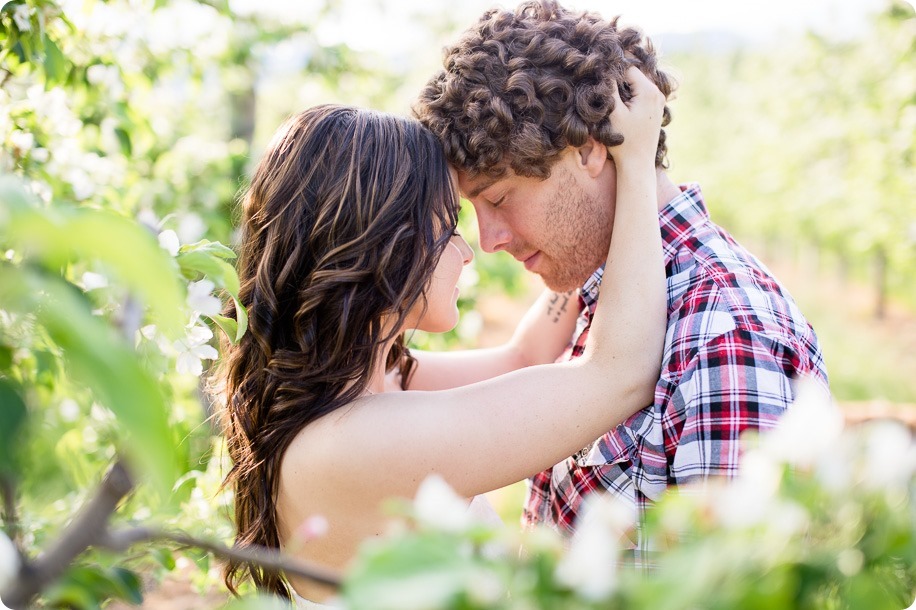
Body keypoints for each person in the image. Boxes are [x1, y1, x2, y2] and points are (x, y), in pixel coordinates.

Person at [216, 68, 667, 604]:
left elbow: (524, 356)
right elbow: (617, 375)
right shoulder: (357, 442)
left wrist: (579, 240)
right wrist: (634, 166)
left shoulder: (364, 383)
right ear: (387, 242)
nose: (468, 249)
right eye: (449, 224)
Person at [413, 0, 829, 563]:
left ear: (588, 149)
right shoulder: (591, 288)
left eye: (499, 198)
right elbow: (518, 360)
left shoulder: (726, 337)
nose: (488, 240)